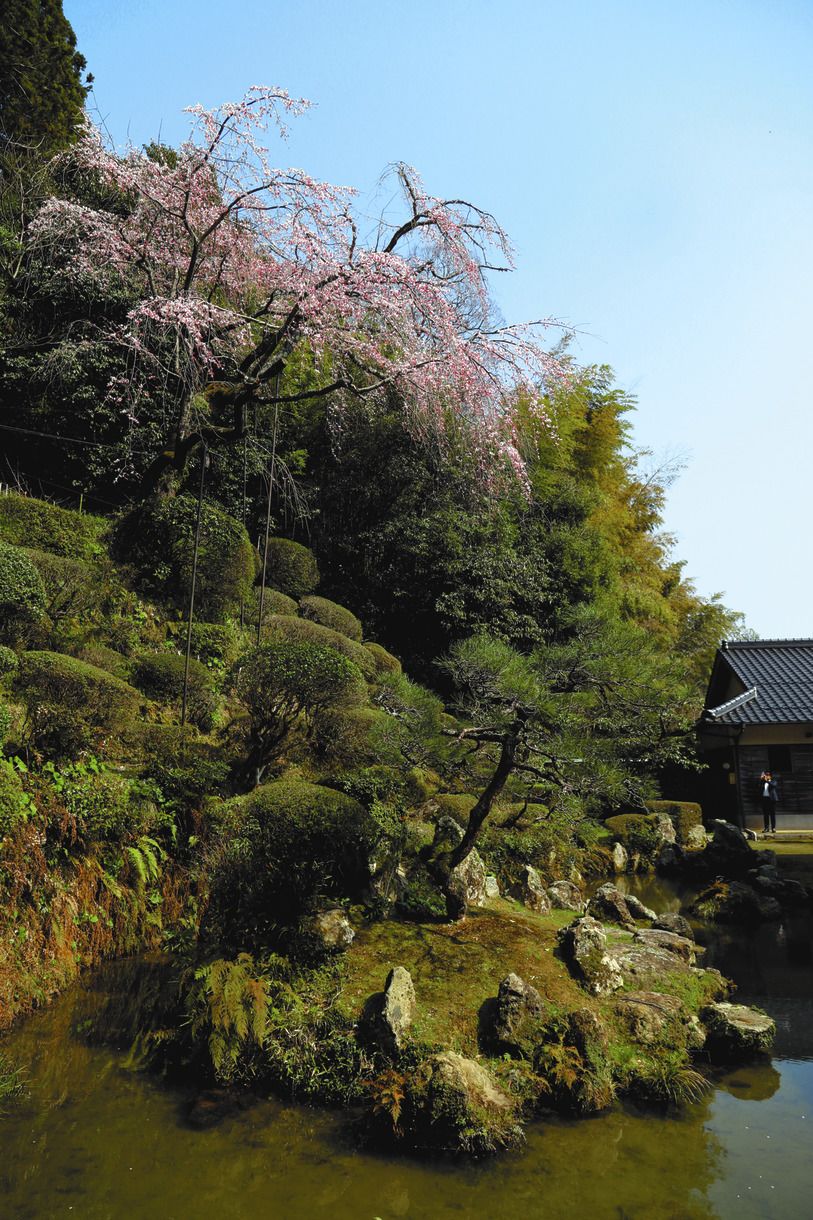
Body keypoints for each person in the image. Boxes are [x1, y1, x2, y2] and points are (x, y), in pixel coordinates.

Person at [760, 770, 779, 835]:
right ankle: (766, 828)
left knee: (772, 814)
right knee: (766, 815)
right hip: (764, 799)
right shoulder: (762, 782)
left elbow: (773, 786)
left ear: (770, 776)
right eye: (766, 775)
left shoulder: (773, 781)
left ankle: (773, 828)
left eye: (768, 775)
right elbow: (758, 787)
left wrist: (767, 781)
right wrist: (761, 780)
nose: (767, 776)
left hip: (772, 800)